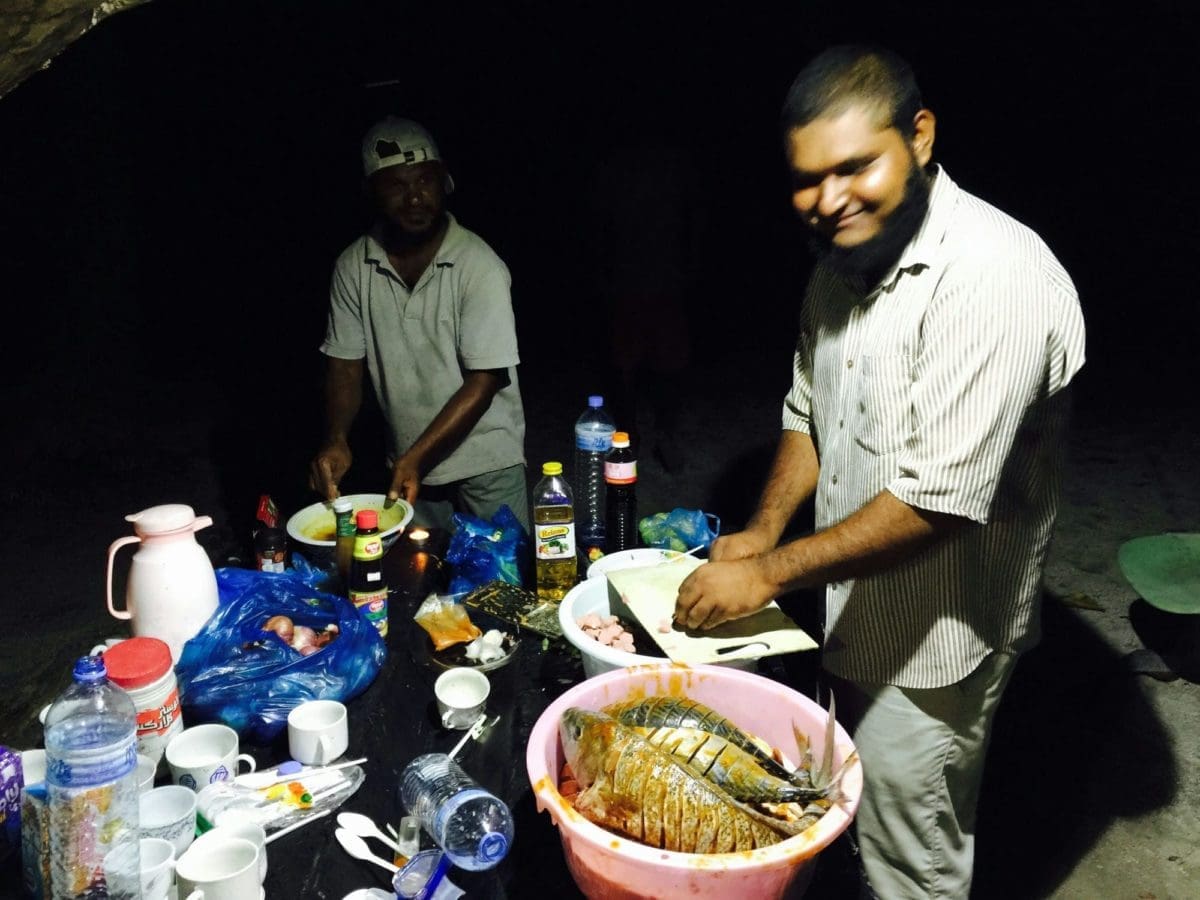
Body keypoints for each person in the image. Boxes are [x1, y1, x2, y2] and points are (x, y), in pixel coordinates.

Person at [674, 45, 1086, 899]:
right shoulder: (841, 263)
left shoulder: (993, 279)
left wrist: (767, 574)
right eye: (807, 179)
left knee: (912, 852)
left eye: (856, 166)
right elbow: (807, 413)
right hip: (850, 606)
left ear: (921, 136)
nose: (828, 202)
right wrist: (761, 529)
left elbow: (936, 506)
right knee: (842, 804)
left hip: (940, 637)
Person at [309, 116, 530, 534]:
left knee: (506, 585)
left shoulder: (477, 265)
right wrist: (336, 438)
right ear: (370, 192)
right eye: (397, 185)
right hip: (409, 462)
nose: (415, 198)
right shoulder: (354, 266)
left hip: (486, 461)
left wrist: (416, 458)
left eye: (425, 182)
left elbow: (485, 379)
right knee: (423, 587)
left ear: (444, 182)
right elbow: (345, 364)